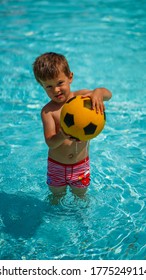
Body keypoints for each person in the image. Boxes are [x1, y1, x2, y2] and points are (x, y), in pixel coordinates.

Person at [33, 52, 112, 201]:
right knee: (56, 197)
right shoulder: (48, 111)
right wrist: (62, 134)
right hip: (57, 165)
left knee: (81, 197)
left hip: (80, 165)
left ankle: (82, 220)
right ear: (41, 86)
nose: (56, 90)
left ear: (70, 77)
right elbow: (50, 142)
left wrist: (98, 93)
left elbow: (109, 94)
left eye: (60, 83)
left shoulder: (82, 98)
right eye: (49, 86)